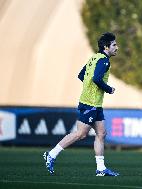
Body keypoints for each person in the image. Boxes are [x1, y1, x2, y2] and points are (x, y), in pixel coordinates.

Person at [43, 32, 119, 176]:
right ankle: (51, 154)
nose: (117, 47)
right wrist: (108, 89)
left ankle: (101, 169)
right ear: (106, 47)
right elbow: (96, 78)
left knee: (101, 133)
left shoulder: (94, 58)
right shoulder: (104, 60)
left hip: (94, 103)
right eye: (114, 45)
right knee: (81, 134)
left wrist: (89, 89)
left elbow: (81, 75)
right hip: (90, 103)